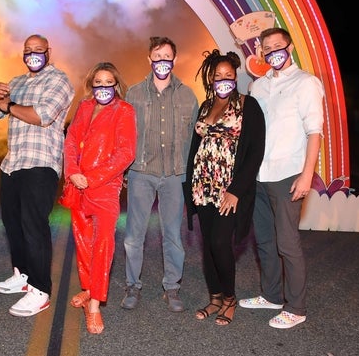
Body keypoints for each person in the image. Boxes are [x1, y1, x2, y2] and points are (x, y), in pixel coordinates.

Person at [239, 27, 324, 329]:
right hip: (260, 175)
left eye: (278, 45)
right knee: (264, 240)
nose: (273, 50)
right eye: (267, 47)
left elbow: (315, 132)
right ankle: (272, 295)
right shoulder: (258, 87)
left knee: (287, 243)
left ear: (289, 47)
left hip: (288, 174)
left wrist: (307, 176)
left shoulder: (307, 83)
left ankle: (296, 307)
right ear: (261, 53)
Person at [0, 34, 74, 317]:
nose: (32, 54)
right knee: (13, 224)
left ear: (49, 51)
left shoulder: (58, 80)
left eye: (38, 50)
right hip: (12, 164)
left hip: (41, 163)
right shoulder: (16, 82)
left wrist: (8, 106)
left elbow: (43, 115)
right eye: (28, 51)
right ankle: (22, 275)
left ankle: (40, 290)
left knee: (34, 226)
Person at [184, 50, 265, 325]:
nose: (222, 80)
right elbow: (195, 148)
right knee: (208, 246)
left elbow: (255, 152)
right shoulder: (206, 106)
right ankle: (215, 297)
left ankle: (230, 299)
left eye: (228, 75)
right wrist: (189, 189)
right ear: (211, 78)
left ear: (235, 77)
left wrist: (236, 190)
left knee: (220, 242)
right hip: (202, 186)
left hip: (228, 189)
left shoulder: (247, 105)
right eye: (217, 76)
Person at [122, 36, 199, 312]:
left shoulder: (187, 95)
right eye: (158, 55)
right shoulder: (133, 93)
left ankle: (172, 287)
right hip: (141, 172)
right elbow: (125, 134)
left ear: (174, 60)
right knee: (134, 234)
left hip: (174, 175)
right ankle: (133, 286)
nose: (162, 61)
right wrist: (122, 169)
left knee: (172, 235)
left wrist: (191, 176)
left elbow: (194, 138)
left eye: (167, 56)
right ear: (150, 59)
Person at [60, 62, 136, 334]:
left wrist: (91, 178)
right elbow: (70, 141)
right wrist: (72, 172)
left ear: (116, 85)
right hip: (78, 186)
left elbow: (125, 153)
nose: (103, 87)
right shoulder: (84, 107)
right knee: (83, 243)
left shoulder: (124, 111)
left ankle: (94, 307)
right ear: (92, 84)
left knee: (103, 245)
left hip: (104, 188)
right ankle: (89, 288)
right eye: (98, 82)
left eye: (108, 82)